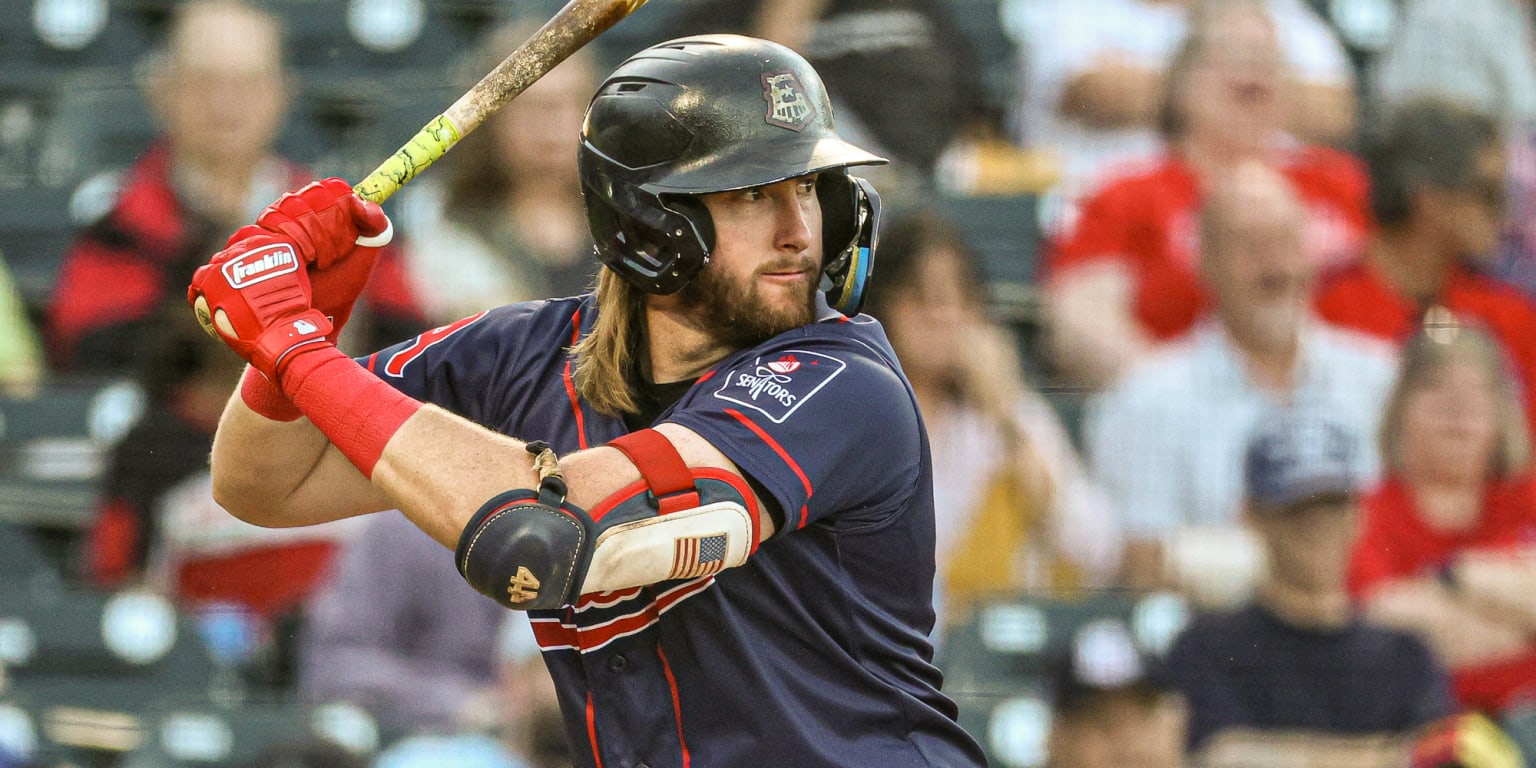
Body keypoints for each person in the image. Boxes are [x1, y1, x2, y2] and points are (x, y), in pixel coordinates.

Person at [187, 34, 987, 768]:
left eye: (809, 188)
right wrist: (292, 350)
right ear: (649, 220)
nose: (799, 232)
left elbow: (550, 539)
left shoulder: (842, 381)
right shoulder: (526, 354)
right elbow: (264, 483)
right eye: (750, 194)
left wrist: (296, 346)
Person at [43, 0, 422, 375]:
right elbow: (84, 351)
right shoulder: (122, 220)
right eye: (205, 82)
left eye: (249, 83)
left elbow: (406, 342)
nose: (226, 103)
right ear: (162, 92)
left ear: (282, 94)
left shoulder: (336, 213)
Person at [1084, 160, 1395, 602]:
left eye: (1287, 242)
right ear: (1203, 264)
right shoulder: (1145, 399)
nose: (1276, 266)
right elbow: (1142, 562)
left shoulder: (1381, 377)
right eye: (1249, 246)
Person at [1042, 0, 1370, 390]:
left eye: (1271, 59)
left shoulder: (1343, 183)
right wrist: (1177, 396)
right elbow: (1082, 320)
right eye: (1230, 55)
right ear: (1178, 84)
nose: (1254, 69)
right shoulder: (1124, 193)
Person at [862, 211, 1121, 619]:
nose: (940, 314)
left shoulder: (1011, 413)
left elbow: (1096, 549)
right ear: (883, 306)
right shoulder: (857, 414)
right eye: (920, 296)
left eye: (957, 298)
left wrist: (1003, 411)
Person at [1163, 408, 1455, 767]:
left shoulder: (1404, 655)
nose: (1318, 524)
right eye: (1297, 508)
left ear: (1359, 515)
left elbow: (1438, 757)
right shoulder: (1208, 646)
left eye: (1333, 505)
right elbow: (1223, 758)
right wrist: (1389, 757)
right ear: (1251, 515)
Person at [1011, 0, 1356, 224]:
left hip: (1269, 226)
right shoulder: (1076, 9)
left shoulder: (1278, 14)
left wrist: (1191, 84)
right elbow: (1095, 91)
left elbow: (1334, 110)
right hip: (1117, 223)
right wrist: (1251, 82)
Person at [1315, 99, 1536, 440]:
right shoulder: (1328, 302)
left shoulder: (1511, 313)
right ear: (1428, 200)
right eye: (1488, 193)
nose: (1504, 210)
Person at [1349, 325, 1536, 718]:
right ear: (1399, 411)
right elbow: (1380, 626)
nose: (1458, 408)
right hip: (1414, 723)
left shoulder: (1527, 500)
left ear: (1503, 415)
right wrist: (1521, 628)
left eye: (1477, 392)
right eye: (1435, 388)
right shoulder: (1364, 512)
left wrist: (1454, 576)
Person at [398, 22, 598, 324]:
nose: (549, 126)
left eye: (566, 104)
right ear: (492, 120)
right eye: (531, 106)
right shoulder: (445, 235)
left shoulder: (631, 226)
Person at [297, 510, 510, 737]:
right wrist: (458, 702)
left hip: (532, 731)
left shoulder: (543, 521)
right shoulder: (403, 530)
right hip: (430, 738)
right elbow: (337, 664)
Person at [1043, 618, 1186, 768]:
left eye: (1140, 716)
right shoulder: (1062, 736)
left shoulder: (1168, 723)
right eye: (1104, 720)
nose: (1126, 743)